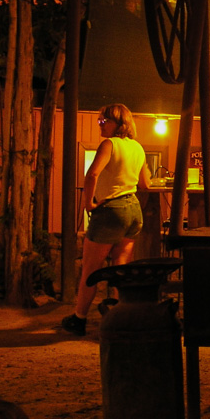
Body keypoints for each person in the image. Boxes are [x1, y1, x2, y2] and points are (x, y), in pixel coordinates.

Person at [62, 104, 152, 336]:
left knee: (91, 268)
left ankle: (79, 318)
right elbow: (145, 184)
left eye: (105, 121)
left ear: (119, 124)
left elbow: (92, 174)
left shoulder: (109, 144)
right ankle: (117, 317)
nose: (100, 124)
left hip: (111, 209)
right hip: (133, 210)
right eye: (100, 121)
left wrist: (88, 203)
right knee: (120, 268)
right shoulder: (138, 148)